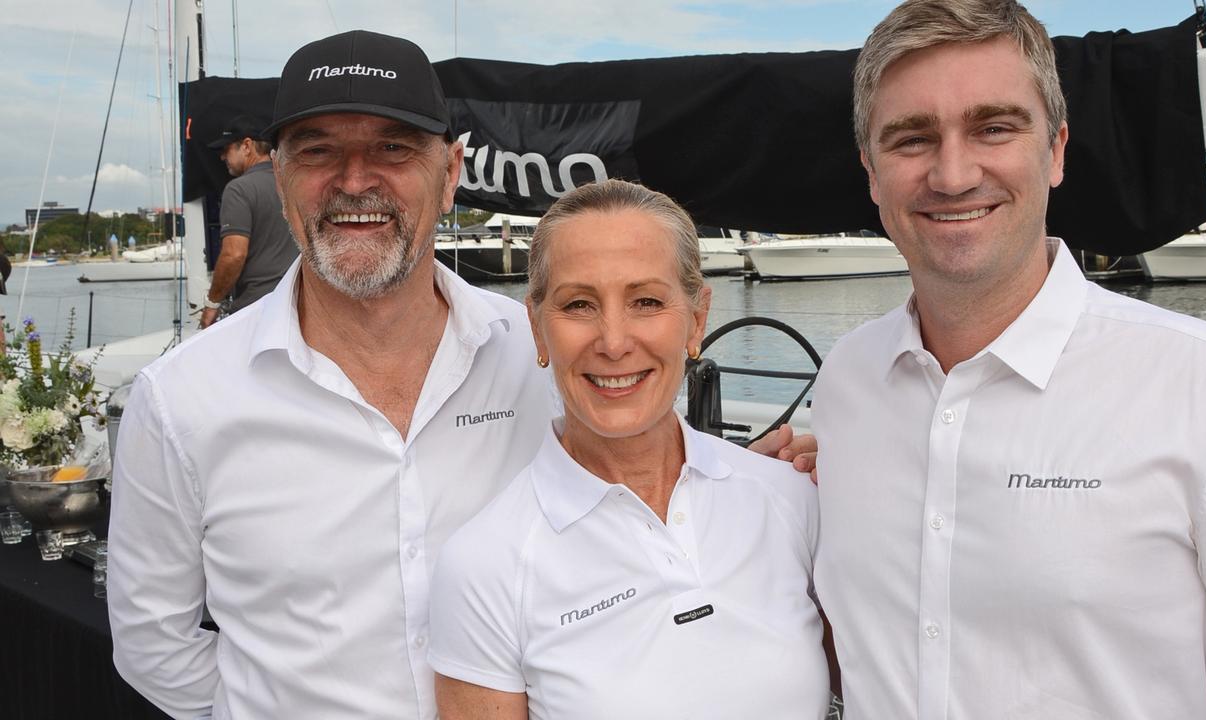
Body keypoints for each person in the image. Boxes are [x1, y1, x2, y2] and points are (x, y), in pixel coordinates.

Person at [108, 30, 803, 720]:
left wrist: (749, 480)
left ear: (450, 174)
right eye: (319, 151)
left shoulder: (540, 356)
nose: (355, 180)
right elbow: (153, 644)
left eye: (393, 148)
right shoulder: (180, 401)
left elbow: (638, 475)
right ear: (280, 181)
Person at [811, 1, 1206, 718]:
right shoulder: (848, 381)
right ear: (871, 173)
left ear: (1056, 151)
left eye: (993, 128)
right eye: (911, 139)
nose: (954, 172)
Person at [427, 178, 830, 719]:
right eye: (578, 304)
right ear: (538, 329)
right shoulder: (485, 566)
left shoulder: (792, 500)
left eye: (645, 301)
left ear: (697, 318)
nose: (614, 342)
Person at [201, 114, 299, 327]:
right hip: (298, 306)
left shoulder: (238, 189)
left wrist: (212, 303)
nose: (221, 157)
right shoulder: (294, 185)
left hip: (256, 310)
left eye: (225, 150)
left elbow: (234, 254)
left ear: (247, 146)